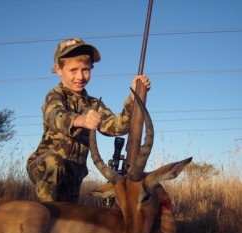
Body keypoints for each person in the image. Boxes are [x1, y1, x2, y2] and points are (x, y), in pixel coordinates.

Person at [26, 38, 151, 203]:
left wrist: (133, 97)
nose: (80, 76)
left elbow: (118, 127)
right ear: (59, 69)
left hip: (75, 175)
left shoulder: (94, 104)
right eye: (73, 70)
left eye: (85, 69)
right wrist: (81, 120)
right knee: (53, 163)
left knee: (69, 217)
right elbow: (53, 115)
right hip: (45, 168)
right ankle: (44, 215)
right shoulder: (55, 95)